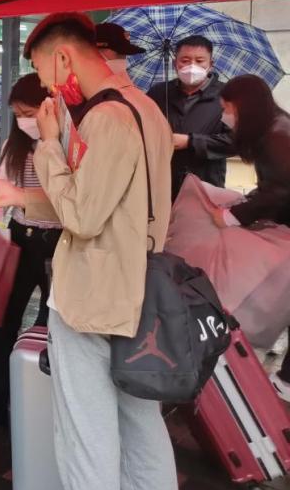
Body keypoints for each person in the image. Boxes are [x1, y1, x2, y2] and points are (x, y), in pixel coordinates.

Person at [18, 12, 178, 490]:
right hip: (137, 291)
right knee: (142, 427)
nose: (48, 88)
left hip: (91, 298)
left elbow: (84, 217)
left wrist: (48, 143)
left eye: (43, 73)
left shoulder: (105, 117)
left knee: (87, 442)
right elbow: (111, 205)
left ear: (63, 58)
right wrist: (17, 196)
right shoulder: (147, 110)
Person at [0, 74, 62, 428]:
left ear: (52, 108)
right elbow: (1, 194)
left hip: (60, 244)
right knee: (1, 322)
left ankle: (42, 400)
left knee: (52, 325)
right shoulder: (13, 146)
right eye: (18, 114)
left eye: (29, 113)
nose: (24, 121)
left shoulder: (68, 147)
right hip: (21, 238)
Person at [210, 76, 290, 399]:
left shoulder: (277, 136)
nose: (224, 117)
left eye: (227, 109)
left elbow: (280, 190)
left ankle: (286, 383)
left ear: (244, 107)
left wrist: (233, 216)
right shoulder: (275, 128)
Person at [147, 35, 234, 200]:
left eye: (200, 61)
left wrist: (190, 141)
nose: (192, 66)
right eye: (185, 60)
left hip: (206, 186)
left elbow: (235, 142)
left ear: (210, 64)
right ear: (175, 64)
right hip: (163, 184)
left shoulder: (227, 96)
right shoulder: (158, 93)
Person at [96, 22, 145, 88]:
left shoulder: (127, 85)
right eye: (119, 52)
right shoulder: (86, 86)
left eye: (125, 53)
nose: (123, 59)